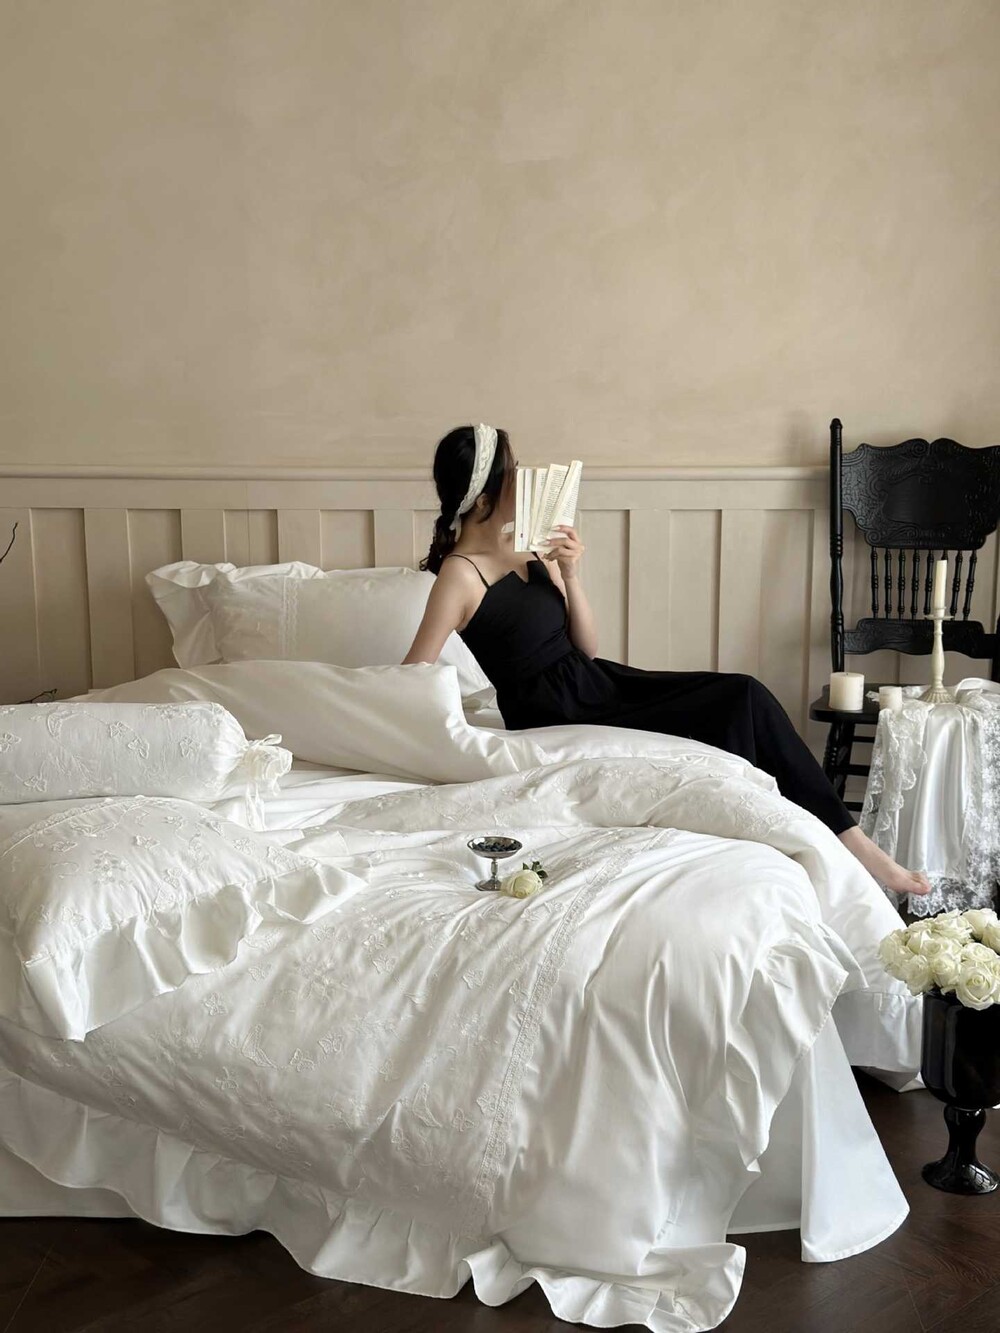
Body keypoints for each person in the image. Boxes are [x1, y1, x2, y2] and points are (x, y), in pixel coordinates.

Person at [403, 423, 930, 897]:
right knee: (735, 700)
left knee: (740, 694)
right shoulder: (460, 574)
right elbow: (414, 673)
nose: (525, 479)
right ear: (483, 496)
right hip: (553, 709)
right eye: (513, 471)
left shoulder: (528, 550)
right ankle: (847, 846)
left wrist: (572, 575)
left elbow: (586, 647)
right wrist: (448, 736)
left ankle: (834, 840)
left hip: (594, 681)